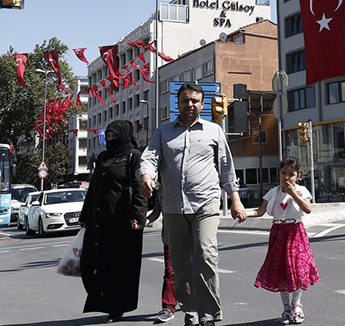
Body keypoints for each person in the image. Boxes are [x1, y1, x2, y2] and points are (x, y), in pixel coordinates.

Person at [140, 82, 247, 326]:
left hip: (206, 203)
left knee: (206, 255)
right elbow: (150, 158)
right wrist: (147, 176)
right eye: (185, 100)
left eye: (194, 101)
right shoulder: (163, 132)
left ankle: (208, 315)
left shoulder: (214, 131)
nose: (190, 104)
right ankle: (189, 309)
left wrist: (235, 200)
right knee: (180, 264)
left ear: (201, 104)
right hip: (174, 207)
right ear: (177, 103)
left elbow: (226, 167)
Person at [79, 120, 147, 323]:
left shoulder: (134, 156)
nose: (110, 140)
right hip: (100, 219)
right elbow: (93, 189)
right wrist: (85, 216)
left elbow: (138, 188)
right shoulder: (103, 157)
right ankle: (103, 302)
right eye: (107, 136)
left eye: (114, 136)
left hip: (123, 221)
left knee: (121, 265)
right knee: (95, 262)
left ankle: (116, 307)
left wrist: (138, 216)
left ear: (124, 136)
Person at [244, 157, 320, 325]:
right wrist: (244, 213)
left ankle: (296, 305)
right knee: (282, 270)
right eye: (283, 173)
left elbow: (307, 209)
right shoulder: (273, 192)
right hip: (278, 232)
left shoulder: (302, 190)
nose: (286, 177)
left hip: (295, 232)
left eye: (291, 174)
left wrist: (293, 193)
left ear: (298, 176)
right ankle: (286, 308)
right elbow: (260, 211)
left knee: (298, 268)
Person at [146, 187, 178, 323]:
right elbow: (155, 213)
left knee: (192, 271)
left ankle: (194, 302)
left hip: (189, 238)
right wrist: (144, 221)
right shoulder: (160, 192)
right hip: (169, 239)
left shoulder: (185, 186)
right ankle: (168, 306)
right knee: (170, 272)